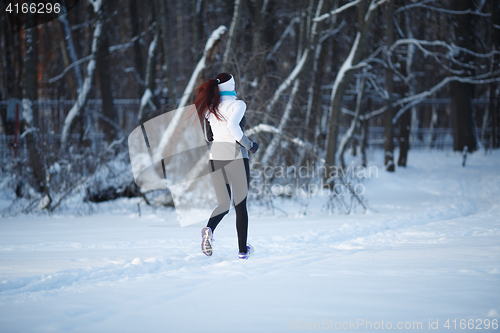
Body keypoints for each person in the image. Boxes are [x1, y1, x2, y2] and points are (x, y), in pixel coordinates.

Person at [194, 73, 259, 260]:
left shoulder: (211, 107)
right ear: (232, 85)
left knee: (223, 203)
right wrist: (249, 145)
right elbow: (233, 126)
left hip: (216, 157)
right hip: (236, 156)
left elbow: (209, 137)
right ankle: (242, 250)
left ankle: (209, 229)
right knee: (240, 205)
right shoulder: (238, 105)